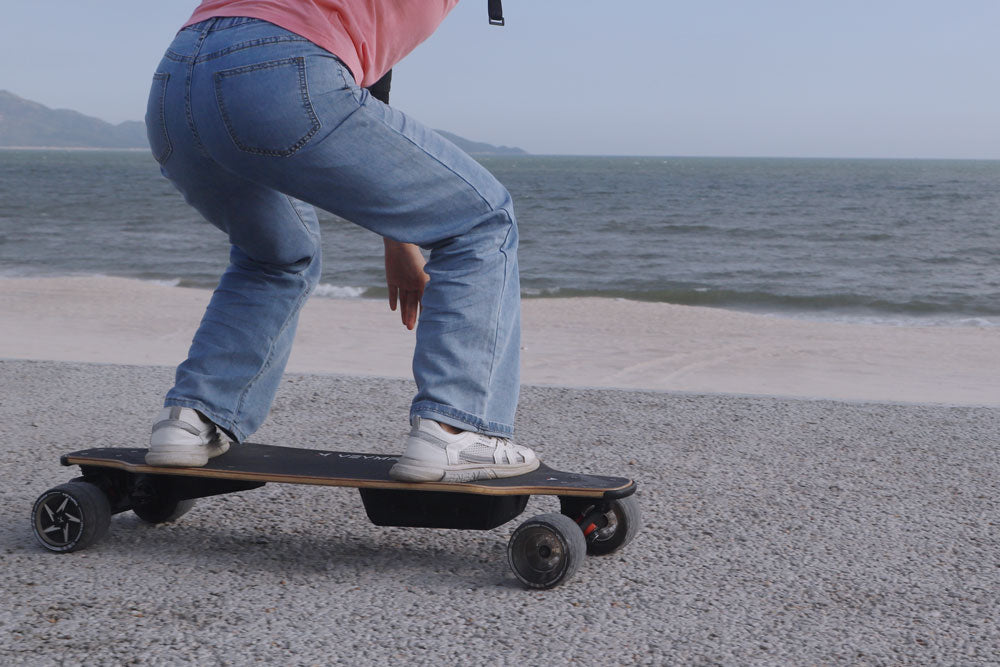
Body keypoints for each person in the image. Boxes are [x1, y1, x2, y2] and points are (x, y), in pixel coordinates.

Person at [144, 0, 538, 483]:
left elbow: (374, 82)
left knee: (276, 256)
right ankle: (459, 431)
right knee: (483, 221)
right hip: (279, 69)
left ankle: (194, 418)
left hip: (175, 86)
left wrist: (398, 237)